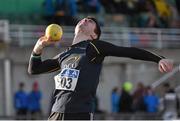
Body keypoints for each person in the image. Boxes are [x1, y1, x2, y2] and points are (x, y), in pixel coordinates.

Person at [28, 16, 173, 120]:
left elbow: (129, 51)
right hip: (56, 113)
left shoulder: (94, 47)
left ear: (93, 35)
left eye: (91, 21)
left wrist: (158, 58)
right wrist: (38, 47)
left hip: (80, 114)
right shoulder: (65, 55)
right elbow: (34, 69)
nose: (85, 19)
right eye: (84, 19)